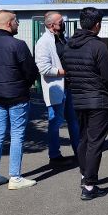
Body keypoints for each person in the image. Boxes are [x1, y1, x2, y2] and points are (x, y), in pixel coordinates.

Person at [63, 7, 108, 201]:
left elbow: (68, 74)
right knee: (95, 143)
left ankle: (84, 175)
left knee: (83, 140)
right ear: (97, 25)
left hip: (78, 99)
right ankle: (89, 186)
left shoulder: (69, 45)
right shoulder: (99, 46)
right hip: (99, 101)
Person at [0, 10, 39, 190]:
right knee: (17, 135)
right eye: (17, 21)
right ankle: (15, 177)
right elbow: (30, 71)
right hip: (17, 95)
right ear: (9, 23)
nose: (18, 24)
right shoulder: (18, 45)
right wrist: (26, 84)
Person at [35, 11, 80, 166]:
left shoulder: (63, 39)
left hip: (69, 88)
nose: (64, 23)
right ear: (51, 25)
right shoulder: (43, 42)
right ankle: (54, 156)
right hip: (56, 89)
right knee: (55, 122)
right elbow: (44, 69)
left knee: (74, 122)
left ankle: (79, 152)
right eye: (61, 22)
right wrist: (64, 72)